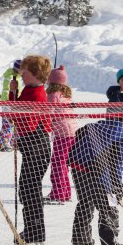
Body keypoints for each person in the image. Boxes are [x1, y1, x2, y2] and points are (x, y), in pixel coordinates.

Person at [67, 117, 123, 245]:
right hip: (96, 168)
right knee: (109, 206)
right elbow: (117, 163)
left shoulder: (102, 125)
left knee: (85, 201)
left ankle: (80, 239)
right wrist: (116, 187)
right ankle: (109, 244)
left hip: (78, 166)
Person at [9, 55, 52, 245]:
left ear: (35, 74)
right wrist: (13, 93)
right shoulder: (29, 89)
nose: (21, 75)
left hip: (38, 146)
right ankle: (33, 229)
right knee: (27, 189)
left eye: (24, 72)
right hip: (31, 146)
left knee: (29, 189)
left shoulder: (37, 94)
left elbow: (27, 122)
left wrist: (15, 117)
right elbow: (15, 110)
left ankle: (35, 231)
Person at [44, 65, 77, 204]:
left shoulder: (53, 95)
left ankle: (58, 194)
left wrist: (44, 126)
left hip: (63, 133)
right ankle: (65, 193)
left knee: (58, 164)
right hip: (72, 132)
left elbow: (48, 112)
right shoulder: (66, 95)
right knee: (64, 164)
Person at [0, 60, 23, 151]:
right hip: (9, 102)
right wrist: (10, 100)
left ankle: (12, 141)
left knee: (13, 123)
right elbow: (10, 90)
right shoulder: (13, 77)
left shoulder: (16, 77)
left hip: (12, 102)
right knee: (8, 123)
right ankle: (3, 143)